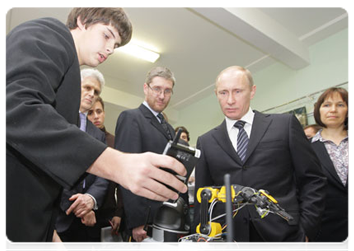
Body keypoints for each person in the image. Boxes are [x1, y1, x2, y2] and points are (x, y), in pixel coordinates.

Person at [5, 8, 187, 251]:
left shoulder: (69, 74)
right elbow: (15, 107)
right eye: (107, 35)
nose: (111, 48)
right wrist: (117, 164)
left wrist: (50, 234)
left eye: (116, 44)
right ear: (82, 21)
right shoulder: (49, 33)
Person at [193, 66, 326, 251]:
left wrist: (306, 231)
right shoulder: (206, 141)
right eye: (223, 93)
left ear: (252, 91)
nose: (230, 100)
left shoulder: (284, 125)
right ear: (216, 94)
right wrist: (200, 240)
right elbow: (203, 198)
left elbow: (313, 180)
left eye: (237, 91)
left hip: (284, 238)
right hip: (229, 241)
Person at [114, 66, 189, 244]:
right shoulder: (131, 118)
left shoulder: (171, 130)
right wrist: (137, 221)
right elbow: (127, 173)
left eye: (167, 91)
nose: (162, 96)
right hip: (147, 219)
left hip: (171, 216)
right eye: (157, 89)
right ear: (146, 88)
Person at [55, 68, 109, 251]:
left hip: (85, 223)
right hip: (55, 217)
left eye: (96, 92)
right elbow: (52, 164)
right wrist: (77, 205)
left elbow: (103, 175)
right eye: (87, 87)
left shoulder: (98, 135)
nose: (91, 94)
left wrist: (90, 200)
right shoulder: (56, 117)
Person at [308, 87, 350, 251]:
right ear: (318, 111)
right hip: (325, 234)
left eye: (340, 105)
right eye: (326, 105)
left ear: (348, 111)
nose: (333, 110)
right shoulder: (306, 149)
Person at [87, 96, 125, 247]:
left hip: (108, 211)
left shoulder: (115, 142)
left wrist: (119, 213)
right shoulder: (80, 139)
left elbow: (122, 180)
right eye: (90, 113)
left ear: (104, 113)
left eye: (99, 111)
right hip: (84, 210)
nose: (96, 116)